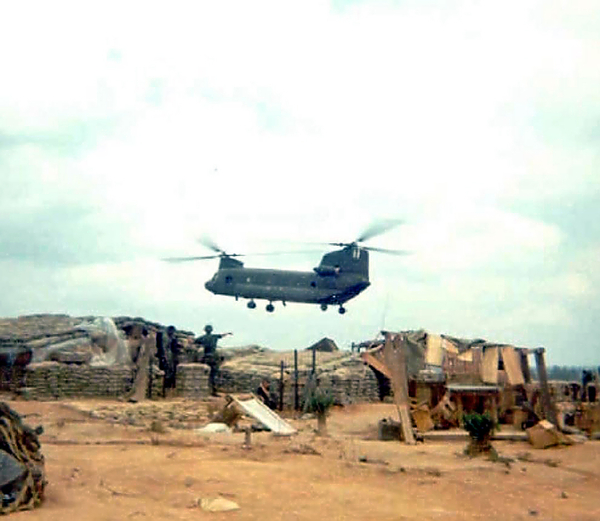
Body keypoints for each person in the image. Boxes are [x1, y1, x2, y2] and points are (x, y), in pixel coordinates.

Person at [193, 325, 232, 396]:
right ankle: (213, 391)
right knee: (213, 375)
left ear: (205, 330)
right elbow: (222, 335)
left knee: (204, 374)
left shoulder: (202, 338)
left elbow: (194, 342)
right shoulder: (214, 337)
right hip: (213, 357)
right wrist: (228, 333)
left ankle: (203, 390)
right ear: (211, 330)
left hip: (205, 357)